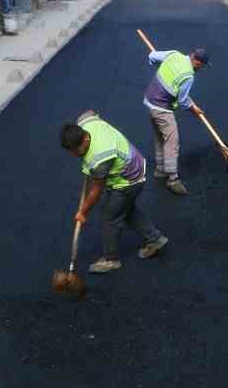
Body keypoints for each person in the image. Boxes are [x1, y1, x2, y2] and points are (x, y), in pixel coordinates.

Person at [60, 111, 168, 274]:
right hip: (134, 163)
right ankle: (156, 239)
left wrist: (83, 211)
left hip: (128, 181)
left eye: (77, 150)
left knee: (109, 217)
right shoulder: (85, 123)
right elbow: (90, 113)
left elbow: (97, 189)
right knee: (125, 210)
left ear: (86, 139)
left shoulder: (99, 158)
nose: (74, 154)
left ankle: (111, 260)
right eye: (71, 151)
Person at [143, 47, 209, 196]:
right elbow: (183, 100)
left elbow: (152, 56)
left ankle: (160, 170)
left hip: (149, 101)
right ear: (198, 63)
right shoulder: (188, 76)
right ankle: (173, 180)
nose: (201, 69)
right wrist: (194, 111)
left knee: (160, 137)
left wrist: (162, 67)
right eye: (202, 66)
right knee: (172, 142)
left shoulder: (174, 55)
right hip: (162, 108)